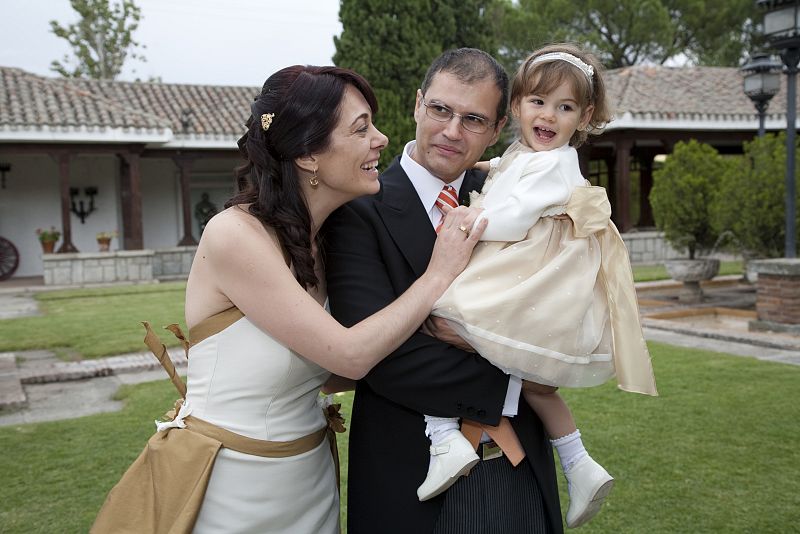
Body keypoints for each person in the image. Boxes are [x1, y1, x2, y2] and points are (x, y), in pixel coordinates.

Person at [91, 65, 486, 534]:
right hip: (231, 486)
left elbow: (338, 371)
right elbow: (350, 355)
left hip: (310, 483)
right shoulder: (234, 235)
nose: (381, 140)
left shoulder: (327, 239)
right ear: (307, 155)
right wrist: (439, 274)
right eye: (361, 129)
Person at [324, 48, 563, 534]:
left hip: (520, 466)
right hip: (411, 480)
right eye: (440, 110)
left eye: (473, 119)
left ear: (497, 129)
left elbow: (552, 316)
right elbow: (382, 357)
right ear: (418, 105)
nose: (452, 131)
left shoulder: (515, 198)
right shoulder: (358, 210)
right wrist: (523, 381)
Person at [423, 43, 658, 528]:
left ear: (585, 116)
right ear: (517, 105)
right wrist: (486, 169)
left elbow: (512, 218)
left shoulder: (553, 163)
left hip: (528, 271)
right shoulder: (534, 156)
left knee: (437, 312)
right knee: (534, 382)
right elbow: (511, 174)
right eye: (538, 102)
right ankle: (578, 462)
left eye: (564, 107)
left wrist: (466, 220)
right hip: (530, 270)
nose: (549, 115)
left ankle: (443, 436)